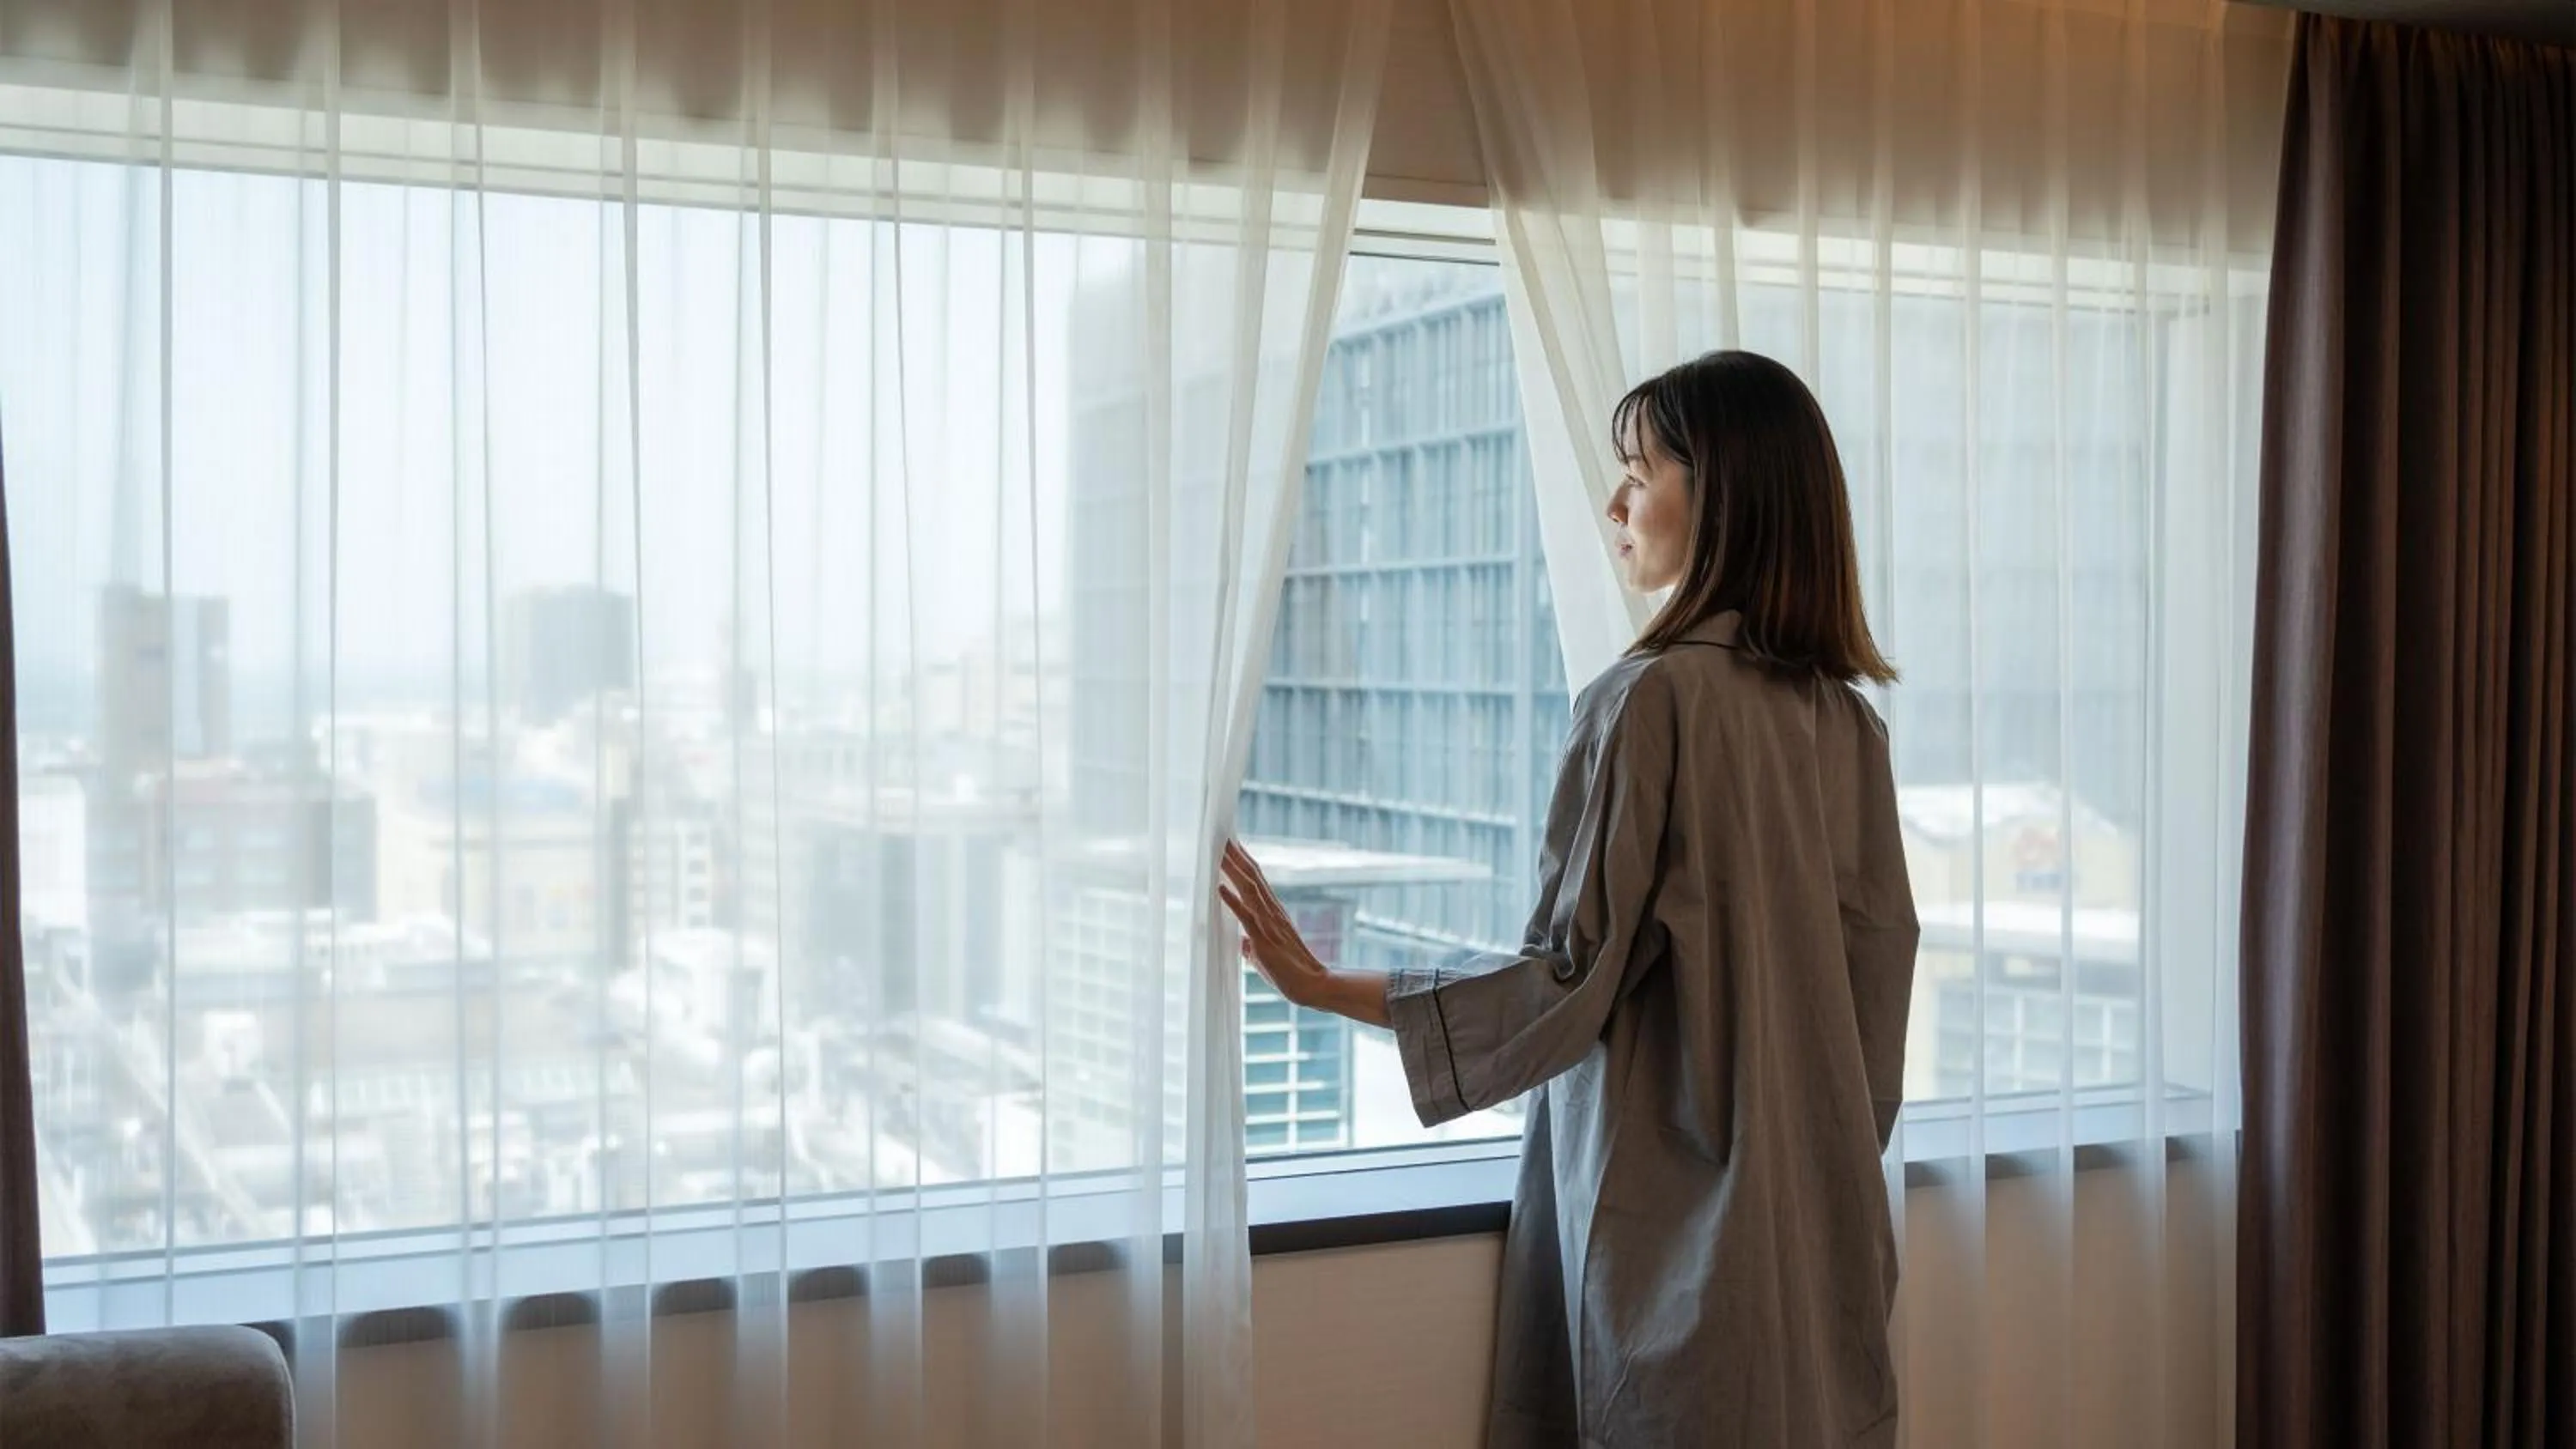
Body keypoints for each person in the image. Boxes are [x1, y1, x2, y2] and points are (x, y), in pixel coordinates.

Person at [1218, 349, 1920, 1447]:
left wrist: (1318, 984)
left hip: (1681, 1256)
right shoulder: (1848, 726)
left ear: (1721, 495)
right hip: (1826, 1244)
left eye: (1640, 472)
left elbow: (1564, 985)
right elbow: (1877, 1016)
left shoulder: (1648, 703)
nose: (1615, 503)